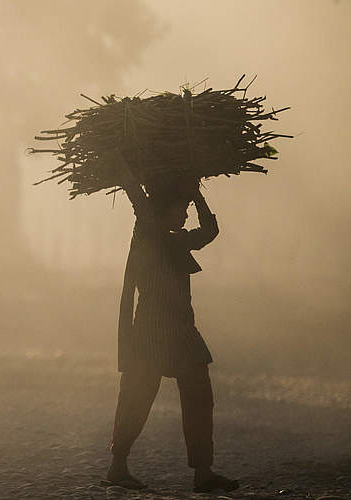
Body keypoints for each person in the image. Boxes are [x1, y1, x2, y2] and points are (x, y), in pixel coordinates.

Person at [106, 177, 240, 493]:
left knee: (199, 395)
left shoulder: (176, 241)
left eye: (187, 209)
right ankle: (118, 466)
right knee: (136, 398)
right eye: (181, 209)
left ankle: (203, 472)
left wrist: (195, 194)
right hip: (151, 331)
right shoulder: (148, 236)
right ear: (160, 212)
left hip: (182, 330)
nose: (185, 215)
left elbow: (210, 231)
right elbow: (141, 203)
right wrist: (125, 171)